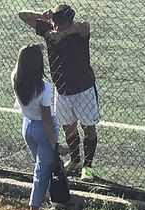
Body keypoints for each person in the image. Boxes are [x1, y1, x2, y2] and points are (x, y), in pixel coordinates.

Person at [18, 4, 100, 181]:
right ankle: (75, 160)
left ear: (67, 22)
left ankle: (88, 166)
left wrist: (62, 34)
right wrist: (41, 15)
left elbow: (85, 25)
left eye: (59, 24)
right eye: (54, 23)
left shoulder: (79, 33)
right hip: (62, 90)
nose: (55, 27)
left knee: (88, 128)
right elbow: (22, 15)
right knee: (68, 127)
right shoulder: (49, 29)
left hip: (84, 89)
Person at [11, 44, 68, 210]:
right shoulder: (44, 88)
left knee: (40, 168)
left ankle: (52, 199)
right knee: (41, 173)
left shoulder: (16, 77)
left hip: (27, 127)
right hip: (43, 131)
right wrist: (55, 145)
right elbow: (46, 119)